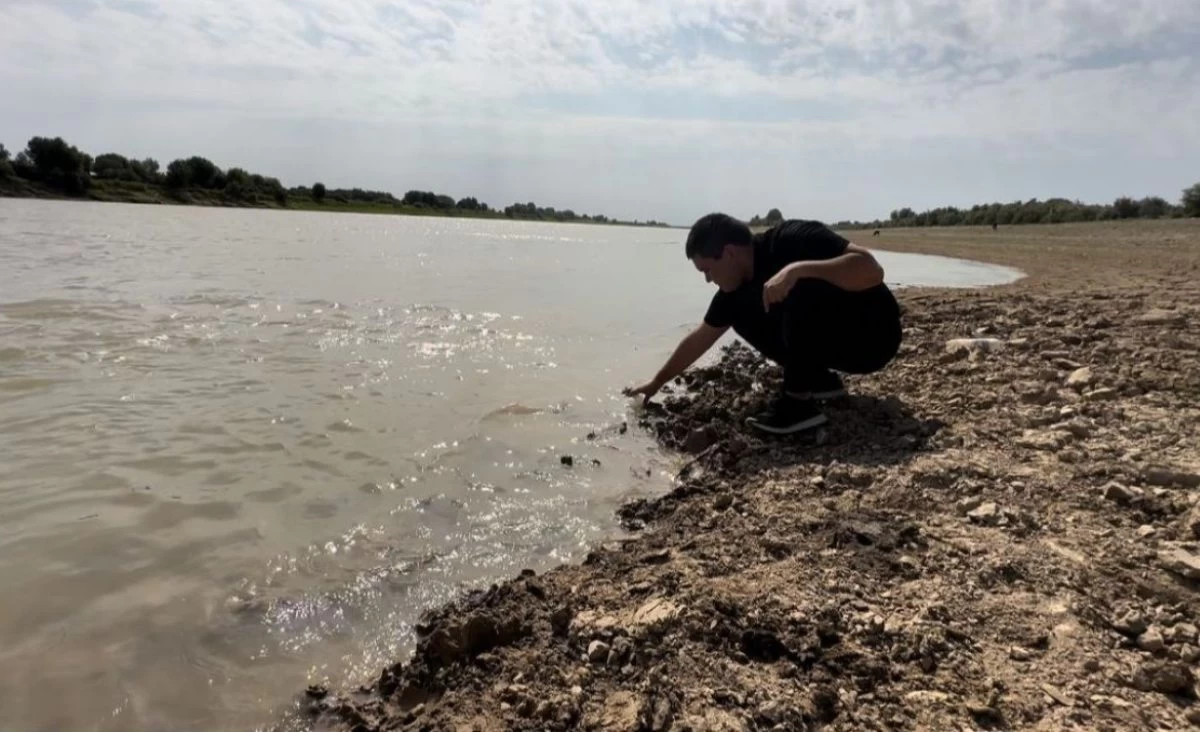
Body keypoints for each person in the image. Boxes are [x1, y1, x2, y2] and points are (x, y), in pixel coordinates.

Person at [624, 213, 902, 435]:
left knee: (796, 285)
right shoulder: (733, 294)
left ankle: (798, 406)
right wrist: (656, 382)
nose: (707, 279)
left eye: (707, 269)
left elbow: (872, 270)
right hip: (842, 349)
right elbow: (700, 338)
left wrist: (797, 270)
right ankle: (818, 380)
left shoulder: (791, 239)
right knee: (741, 312)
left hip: (876, 335)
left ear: (729, 253)